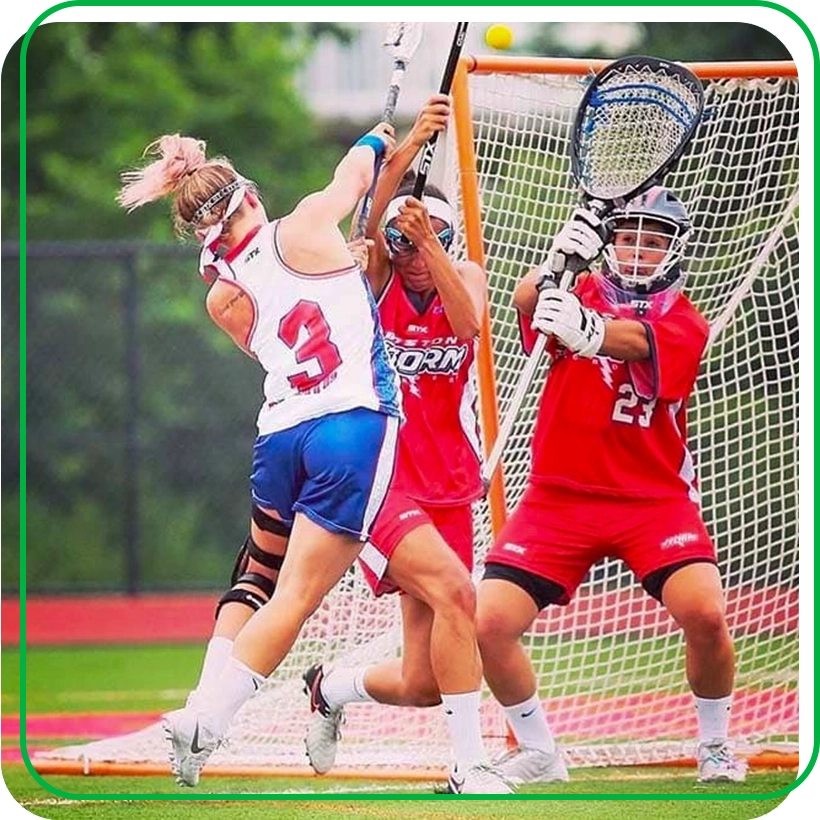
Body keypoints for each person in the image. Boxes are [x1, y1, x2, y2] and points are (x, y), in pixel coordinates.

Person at [117, 123, 404, 787]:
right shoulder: (305, 224)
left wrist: (343, 263)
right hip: (349, 424)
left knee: (257, 572)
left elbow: (280, 328)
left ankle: (199, 702)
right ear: (248, 193)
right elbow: (353, 180)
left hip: (281, 437)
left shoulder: (221, 296)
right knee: (297, 595)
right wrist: (373, 140)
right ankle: (207, 721)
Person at [476, 187, 748, 785]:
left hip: (652, 500)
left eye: (653, 242)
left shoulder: (685, 321)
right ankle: (540, 752)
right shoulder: (580, 287)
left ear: (673, 251)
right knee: (489, 621)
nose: (639, 252)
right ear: (611, 242)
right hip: (560, 496)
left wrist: (587, 329)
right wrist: (553, 262)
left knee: (704, 611)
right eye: (629, 238)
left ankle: (716, 745)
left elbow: (632, 343)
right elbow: (526, 300)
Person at [301, 95, 514, 795]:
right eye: (402, 244)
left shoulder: (463, 276)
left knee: (426, 682)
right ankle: (469, 767)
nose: (411, 255)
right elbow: (370, 217)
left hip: (448, 484)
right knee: (462, 597)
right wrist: (405, 154)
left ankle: (329, 687)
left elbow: (469, 325)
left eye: (425, 242)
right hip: (383, 481)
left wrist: (431, 243)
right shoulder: (376, 283)